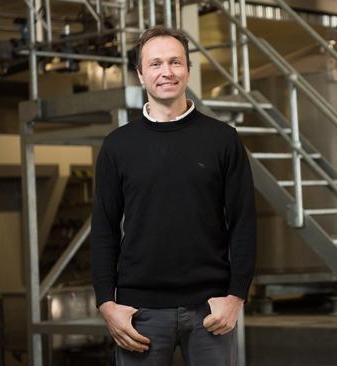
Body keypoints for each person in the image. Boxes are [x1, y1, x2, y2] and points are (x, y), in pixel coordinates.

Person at [90, 26, 256, 366]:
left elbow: (244, 222)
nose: (166, 71)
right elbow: (104, 227)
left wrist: (236, 296)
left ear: (188, 70)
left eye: (175, 62)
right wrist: (107, 304)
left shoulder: (223, 139)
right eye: (155, 64)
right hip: (140, 313)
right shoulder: (117, 146)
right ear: (140, 74)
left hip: (210, 310)